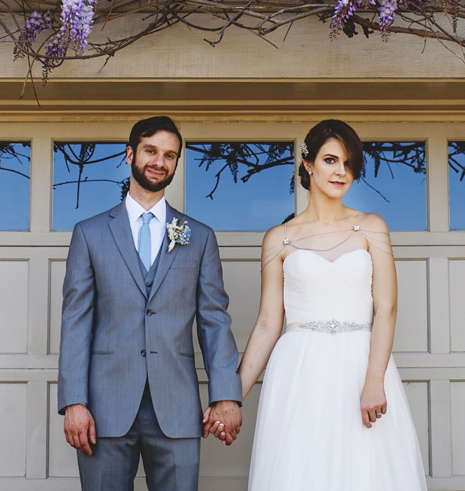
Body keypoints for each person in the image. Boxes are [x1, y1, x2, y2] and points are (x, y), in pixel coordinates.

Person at [235, 119, 428, 491]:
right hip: (299, 372)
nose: (341, 171)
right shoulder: (279, 238)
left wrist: (374, 380)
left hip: (360, 366)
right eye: (330, 160)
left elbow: (386, 309)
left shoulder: (372, 226)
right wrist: (231, 397)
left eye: (349, 163)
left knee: (366, 470)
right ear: (308, 165)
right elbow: (267, 323)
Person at [58, 115, 243, 491]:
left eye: (170, 155)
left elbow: (214, 322)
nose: (160, 162)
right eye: (151, 151)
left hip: (176, 405)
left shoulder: (199, 237)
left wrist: (226, 395)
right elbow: (75, 321)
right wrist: (73, 401)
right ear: (130, 155)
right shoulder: (89, 234)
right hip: (104, 406)